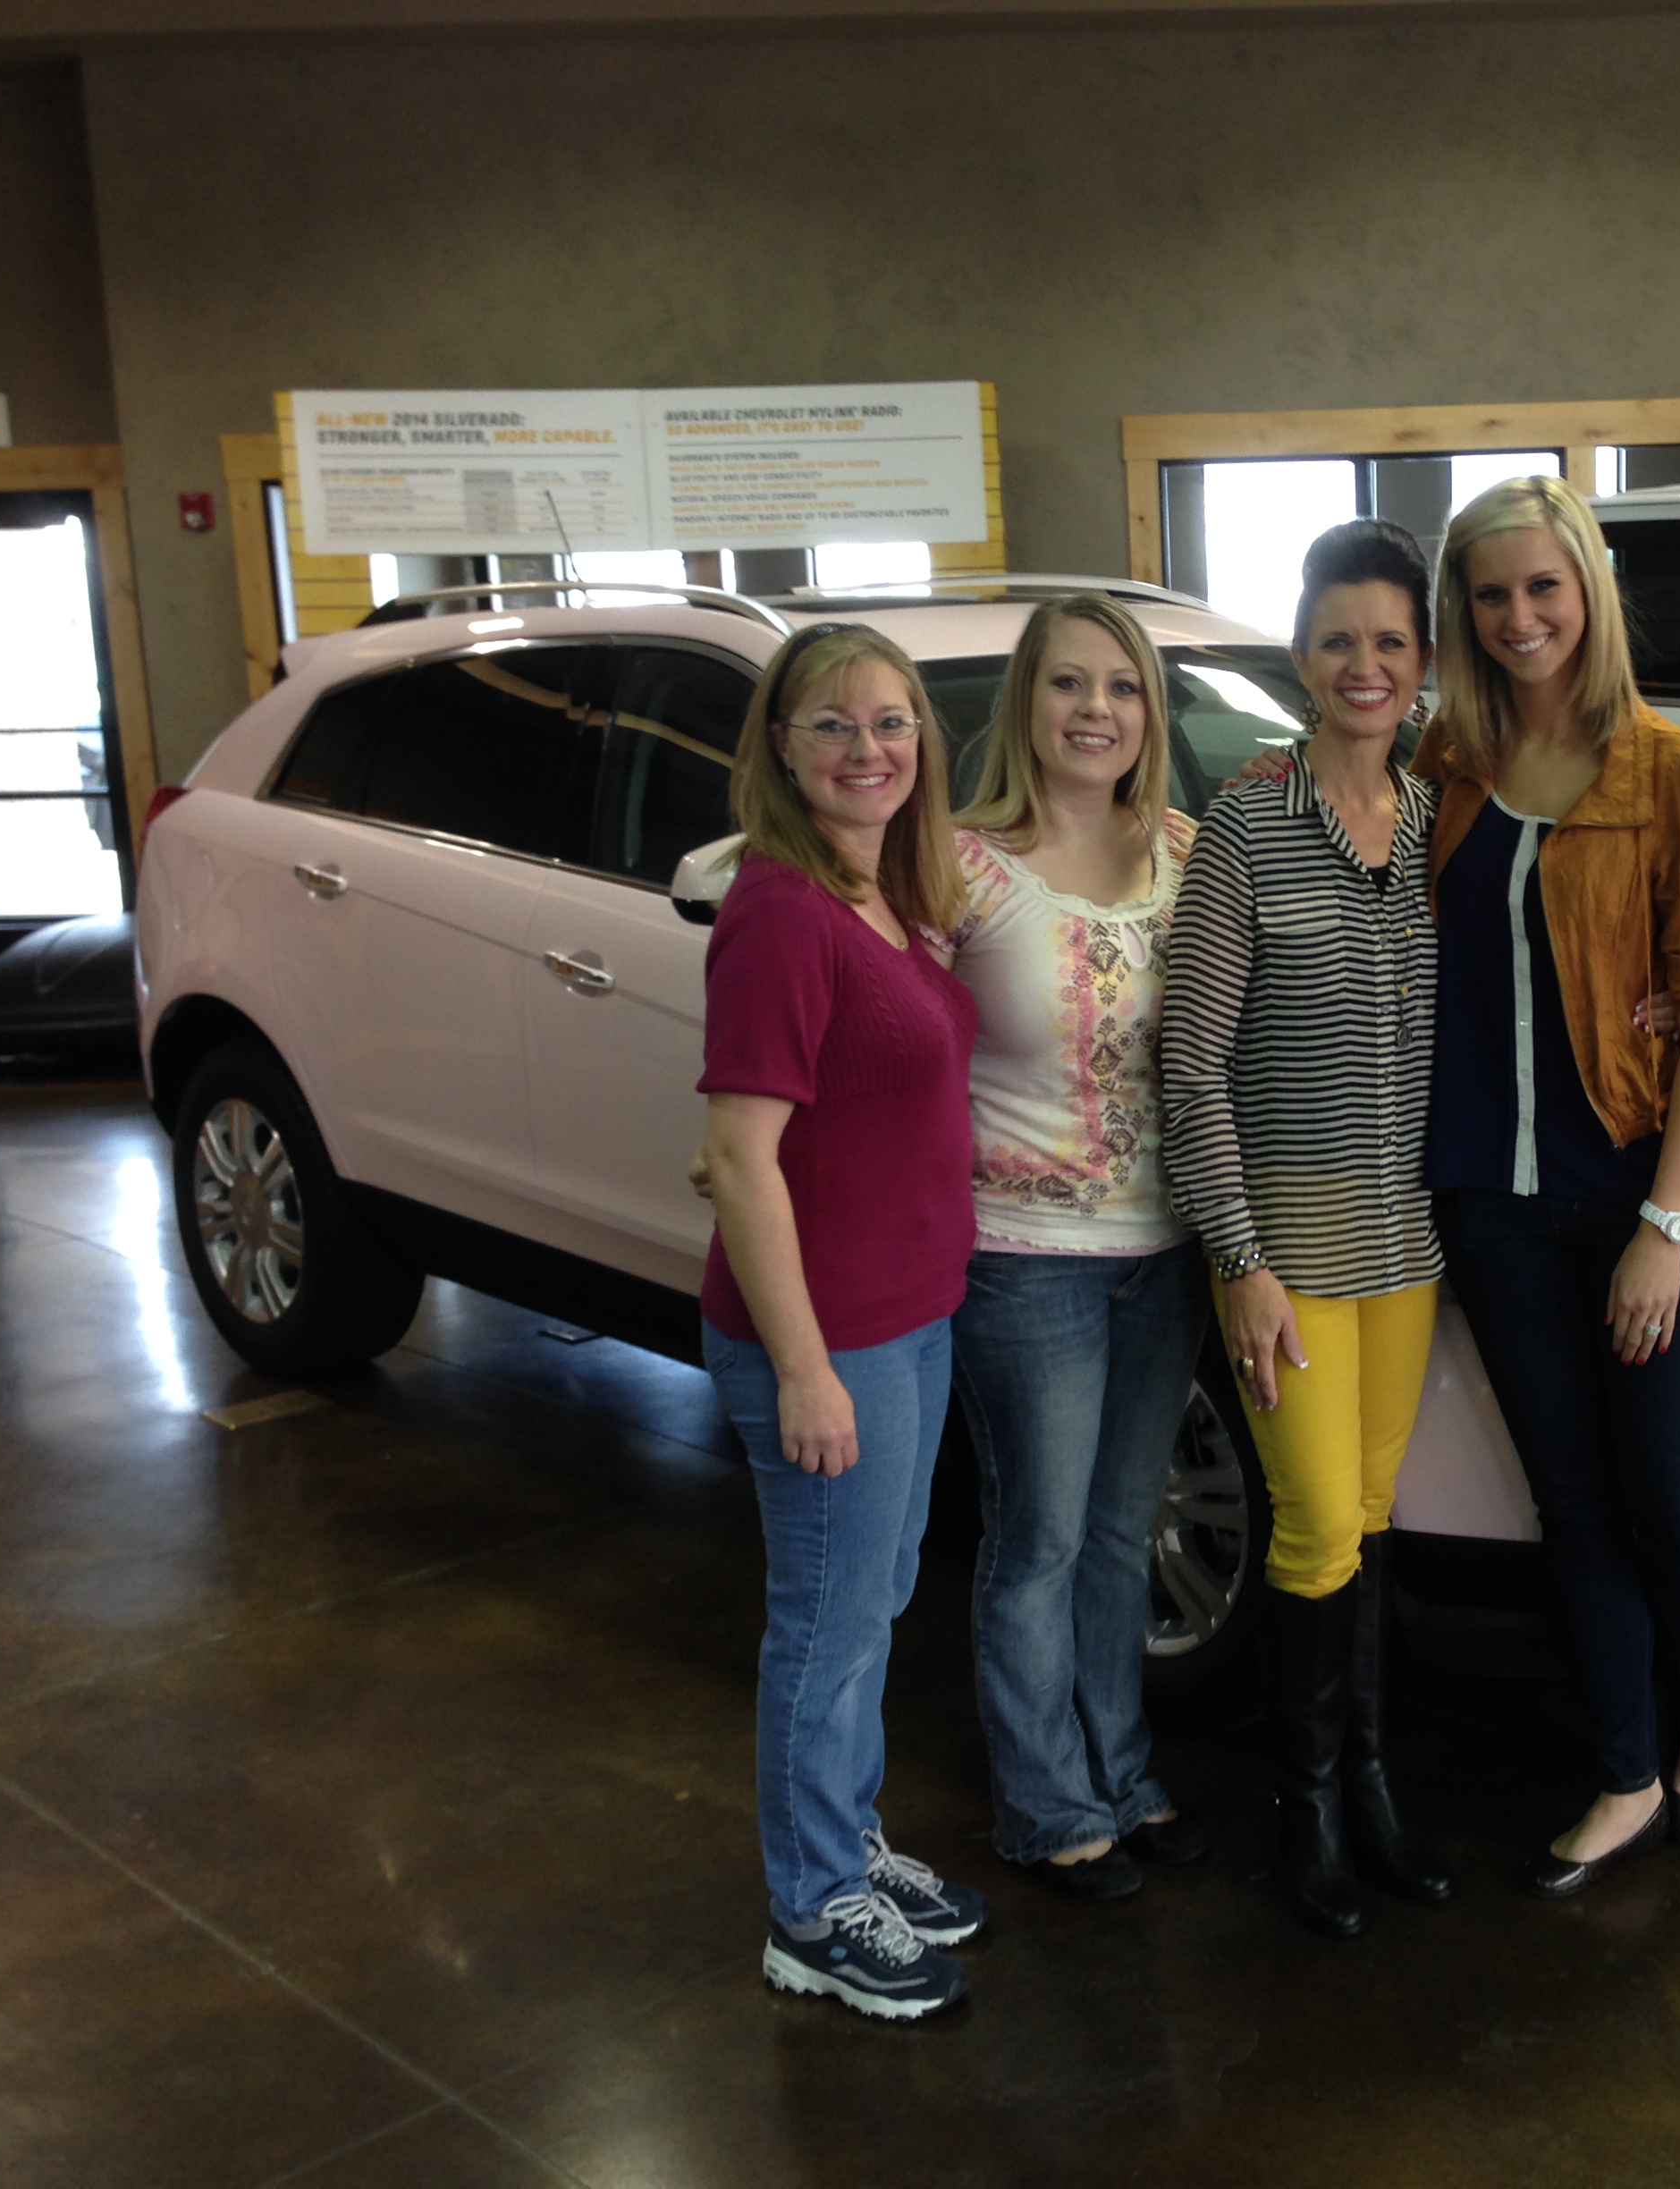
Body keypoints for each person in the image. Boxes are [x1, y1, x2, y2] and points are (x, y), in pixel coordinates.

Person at [1414, 473, 1680, 1897]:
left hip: (1641, 1198)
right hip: (1492, 1205)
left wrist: (1664, 1227)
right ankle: (1624, 1771)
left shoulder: (1674, 772)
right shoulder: (1446, 762)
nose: (1519, 617)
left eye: (1543, 588)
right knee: (1573, 1501)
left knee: (1672, 1496)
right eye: (1491, 594)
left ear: (1590, 593)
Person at [1164, 520, 1457, 1938]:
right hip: (1286, 1253)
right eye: (1339, 639)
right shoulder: (1247, 825)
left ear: (1422, 662)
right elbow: (1191, 1061)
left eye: (1390, 642)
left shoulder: (1438, 823)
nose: (1365, 665)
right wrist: (1239, 1259)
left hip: (1407, 1249)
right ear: (1300, 655)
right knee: (1318, 1523)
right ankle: (1309, 1807)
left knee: (1375, 1522)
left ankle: (1374, 1785)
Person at [697, 621, 989, 2023]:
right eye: (831, 724)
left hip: (908, 1318)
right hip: (830, 1343)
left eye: (890, 722)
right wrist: (806, 1372)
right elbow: (739, 1156)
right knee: (824, 1624)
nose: (867, 749)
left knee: (868, 1608)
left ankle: (846, 1842)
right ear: (779, 746)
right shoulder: (781, 911)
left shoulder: (881, 889)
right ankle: (811, 1912)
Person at [945, 595, 1213, 1903]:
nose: (1096, 710)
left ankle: (1126, 1772)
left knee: (1121, 1533)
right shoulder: (958, 866)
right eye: (1067, 683)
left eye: (1122, 686)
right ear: (1025, 702)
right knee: (1038, 1539)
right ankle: (1047, 1805)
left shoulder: (1187, 854)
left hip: (1164, 1248)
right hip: (1024, 1255)